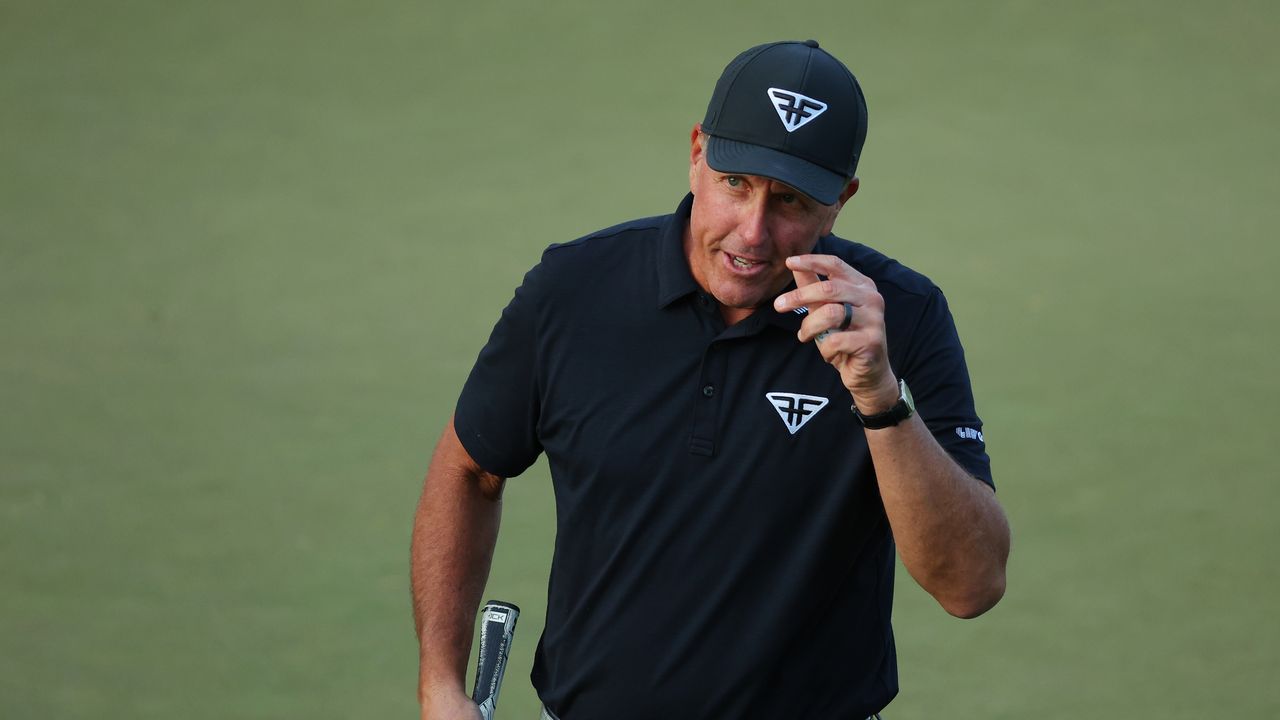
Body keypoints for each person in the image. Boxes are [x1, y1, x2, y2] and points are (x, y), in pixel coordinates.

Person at [411, 39, 1010, 720]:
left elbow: (972, 584)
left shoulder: (901, 317)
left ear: (840, 200)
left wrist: (880, 399)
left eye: (788, 201)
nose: (753, 232)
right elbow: (469, 470)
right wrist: (441, 683)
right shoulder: (572, 292)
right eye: (736, 184)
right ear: (697, 153)